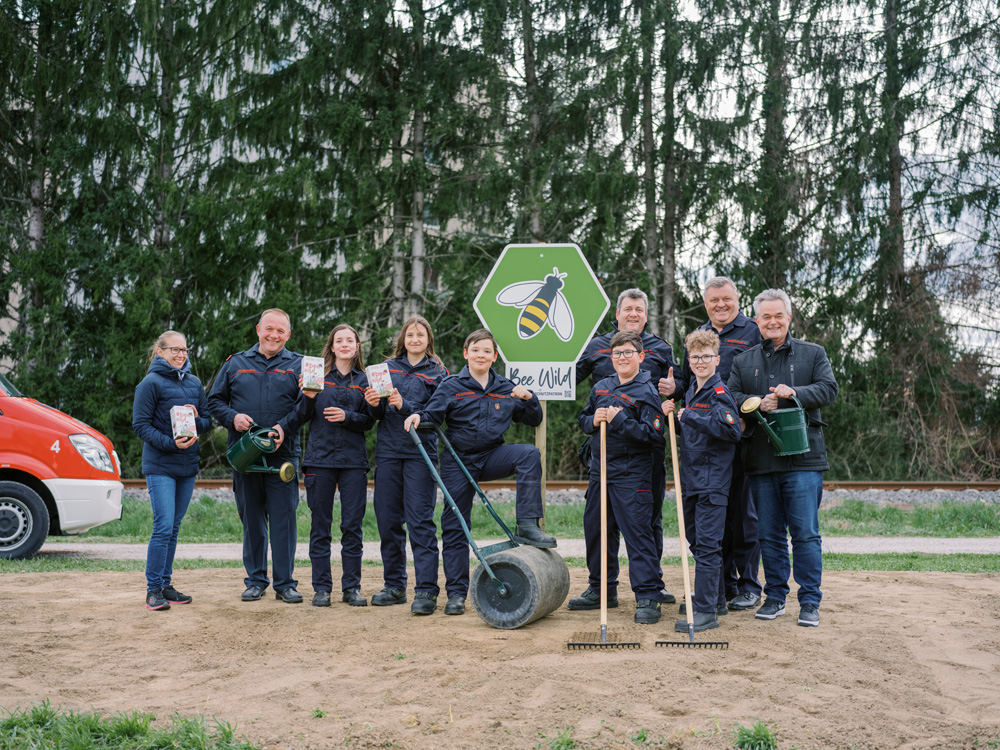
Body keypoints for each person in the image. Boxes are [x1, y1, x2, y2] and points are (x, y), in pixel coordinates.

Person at [403, 329, 556, 616]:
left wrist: (529, 398)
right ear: (466, 354)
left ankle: (527, 525)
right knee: (455, 525)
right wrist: (418, 416)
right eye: (476, 350)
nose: (481, 355)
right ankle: (457, 594)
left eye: (487, 351)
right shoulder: (452, 385)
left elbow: (533, 419)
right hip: (458, 461)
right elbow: (432, 415)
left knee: (528, 454)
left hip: (491, 457)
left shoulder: (506, 387)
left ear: (494, 356)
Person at [728, 289, 839, 627]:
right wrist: (755, 401)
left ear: (789, 318)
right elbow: (731, 395)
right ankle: (775, 596)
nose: (772, 322)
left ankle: (810, 602)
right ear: (757, 321)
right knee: (769, 535)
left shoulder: (813, 353)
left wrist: (795, 394)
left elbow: (829, 389)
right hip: (761, 462)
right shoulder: (744, 361)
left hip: (804, 461)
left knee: (805, 534)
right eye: (765, 317)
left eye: (778, 316)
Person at [576, 288, 677, 603]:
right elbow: (567, 381)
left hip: (642, 458)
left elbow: (680, 386)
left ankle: (650, 588)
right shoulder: (596, 352)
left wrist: (676, 390)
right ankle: (602, 589)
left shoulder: (661, 349)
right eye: (628, 309)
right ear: (617, 314)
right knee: (598, 526)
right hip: (603, 457)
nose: (633, 314)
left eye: (639, 309)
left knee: (645, 523)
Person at [673, 277, 763, 612]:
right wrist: (673, 393)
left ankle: (749, 585)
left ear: (738, 299)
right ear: (706, 302)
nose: (720, 305)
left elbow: (760, 375)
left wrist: (745, 410)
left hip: (740, 437)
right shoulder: (698, 338)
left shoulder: (752, 331)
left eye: (727, 299)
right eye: (714, 300)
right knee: (712, 528)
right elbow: (686, 382)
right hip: (705, 453)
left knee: (744, 519)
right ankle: (720, 589)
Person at [208, 309, 304, 604]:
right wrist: (232, 417)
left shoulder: (301, 365)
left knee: (284, 520)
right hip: (245, 455)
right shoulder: (235, 363)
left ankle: (285, 584)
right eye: (269, 329)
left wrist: (284, 428)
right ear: (258, 329)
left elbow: (308, 406)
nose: (274, 335)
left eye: (281, 331)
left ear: (288, 335)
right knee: (251, 519)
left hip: (283, 455)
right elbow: (213, 400)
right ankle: (256, 581)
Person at [364, 315, 449, 615]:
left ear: (428, 340)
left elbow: (435, 415)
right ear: (403, 339)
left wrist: (405, 406)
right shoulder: (386, 369)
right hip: (388, 453)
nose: (414, 339)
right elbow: (372, 416)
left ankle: (426, 590)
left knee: (420, 522)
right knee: (388, 521)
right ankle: (395, 586)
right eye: (410, 334)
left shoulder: (439, 373)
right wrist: (372, 403)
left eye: (420, 335)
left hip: (420, 455)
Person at [662, 329, 741, 633]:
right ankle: (717, 597)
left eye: (706, 357)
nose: (699, 362)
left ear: (717, 359)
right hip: (692, 480)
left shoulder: (719, 392)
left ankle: (706, 611)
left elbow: (731, 430)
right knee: (697, 541)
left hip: (712, 482)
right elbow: (696, 431)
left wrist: (688, 417)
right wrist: (675, 417)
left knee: (707, 545)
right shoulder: (694, 389)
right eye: (695, 357)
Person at [132, 331, 212, 611]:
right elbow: (140, 426)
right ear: (160, 352)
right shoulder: (150, 383)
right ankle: (152, 590)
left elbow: (207, 422)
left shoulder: (194, 383)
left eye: (185, 350)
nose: (181, 355)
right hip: (160, 465)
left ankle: (165, 584)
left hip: (187, 466)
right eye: (175, 350)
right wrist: (170, 443)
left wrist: (197, 417)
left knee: (174, 528)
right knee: (163, 526)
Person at [297, 324, 375, 608]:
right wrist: (306, 396)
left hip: (354, 462)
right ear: (331, 346)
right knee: (321, 527)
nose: (344, 344)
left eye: (350, 340)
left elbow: (370, 421)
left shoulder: (366, 381)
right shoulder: (315, 376)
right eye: (339, 340)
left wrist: (347, 416)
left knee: (352, 527)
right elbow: (301, 416)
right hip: (319, 460)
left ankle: (351, 587)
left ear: (357, 347)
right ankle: (322, 588)